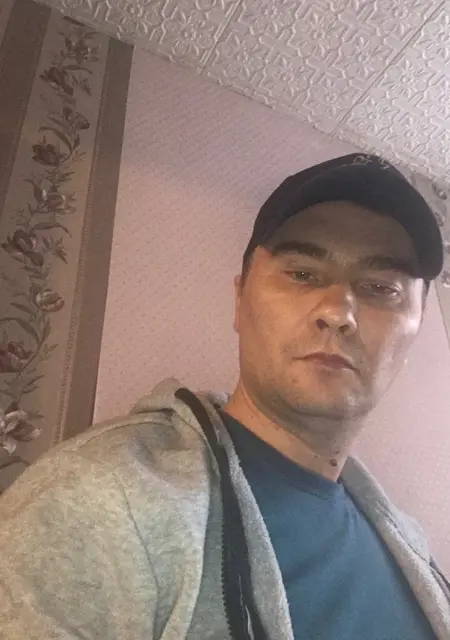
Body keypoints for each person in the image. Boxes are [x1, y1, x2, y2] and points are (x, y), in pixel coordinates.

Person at [0, 153, 449, 640]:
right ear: (239, 300)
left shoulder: (413, 548)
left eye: (380, 287)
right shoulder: (100, 497)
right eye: (302, 273)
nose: (338, 313)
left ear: (416, 331)